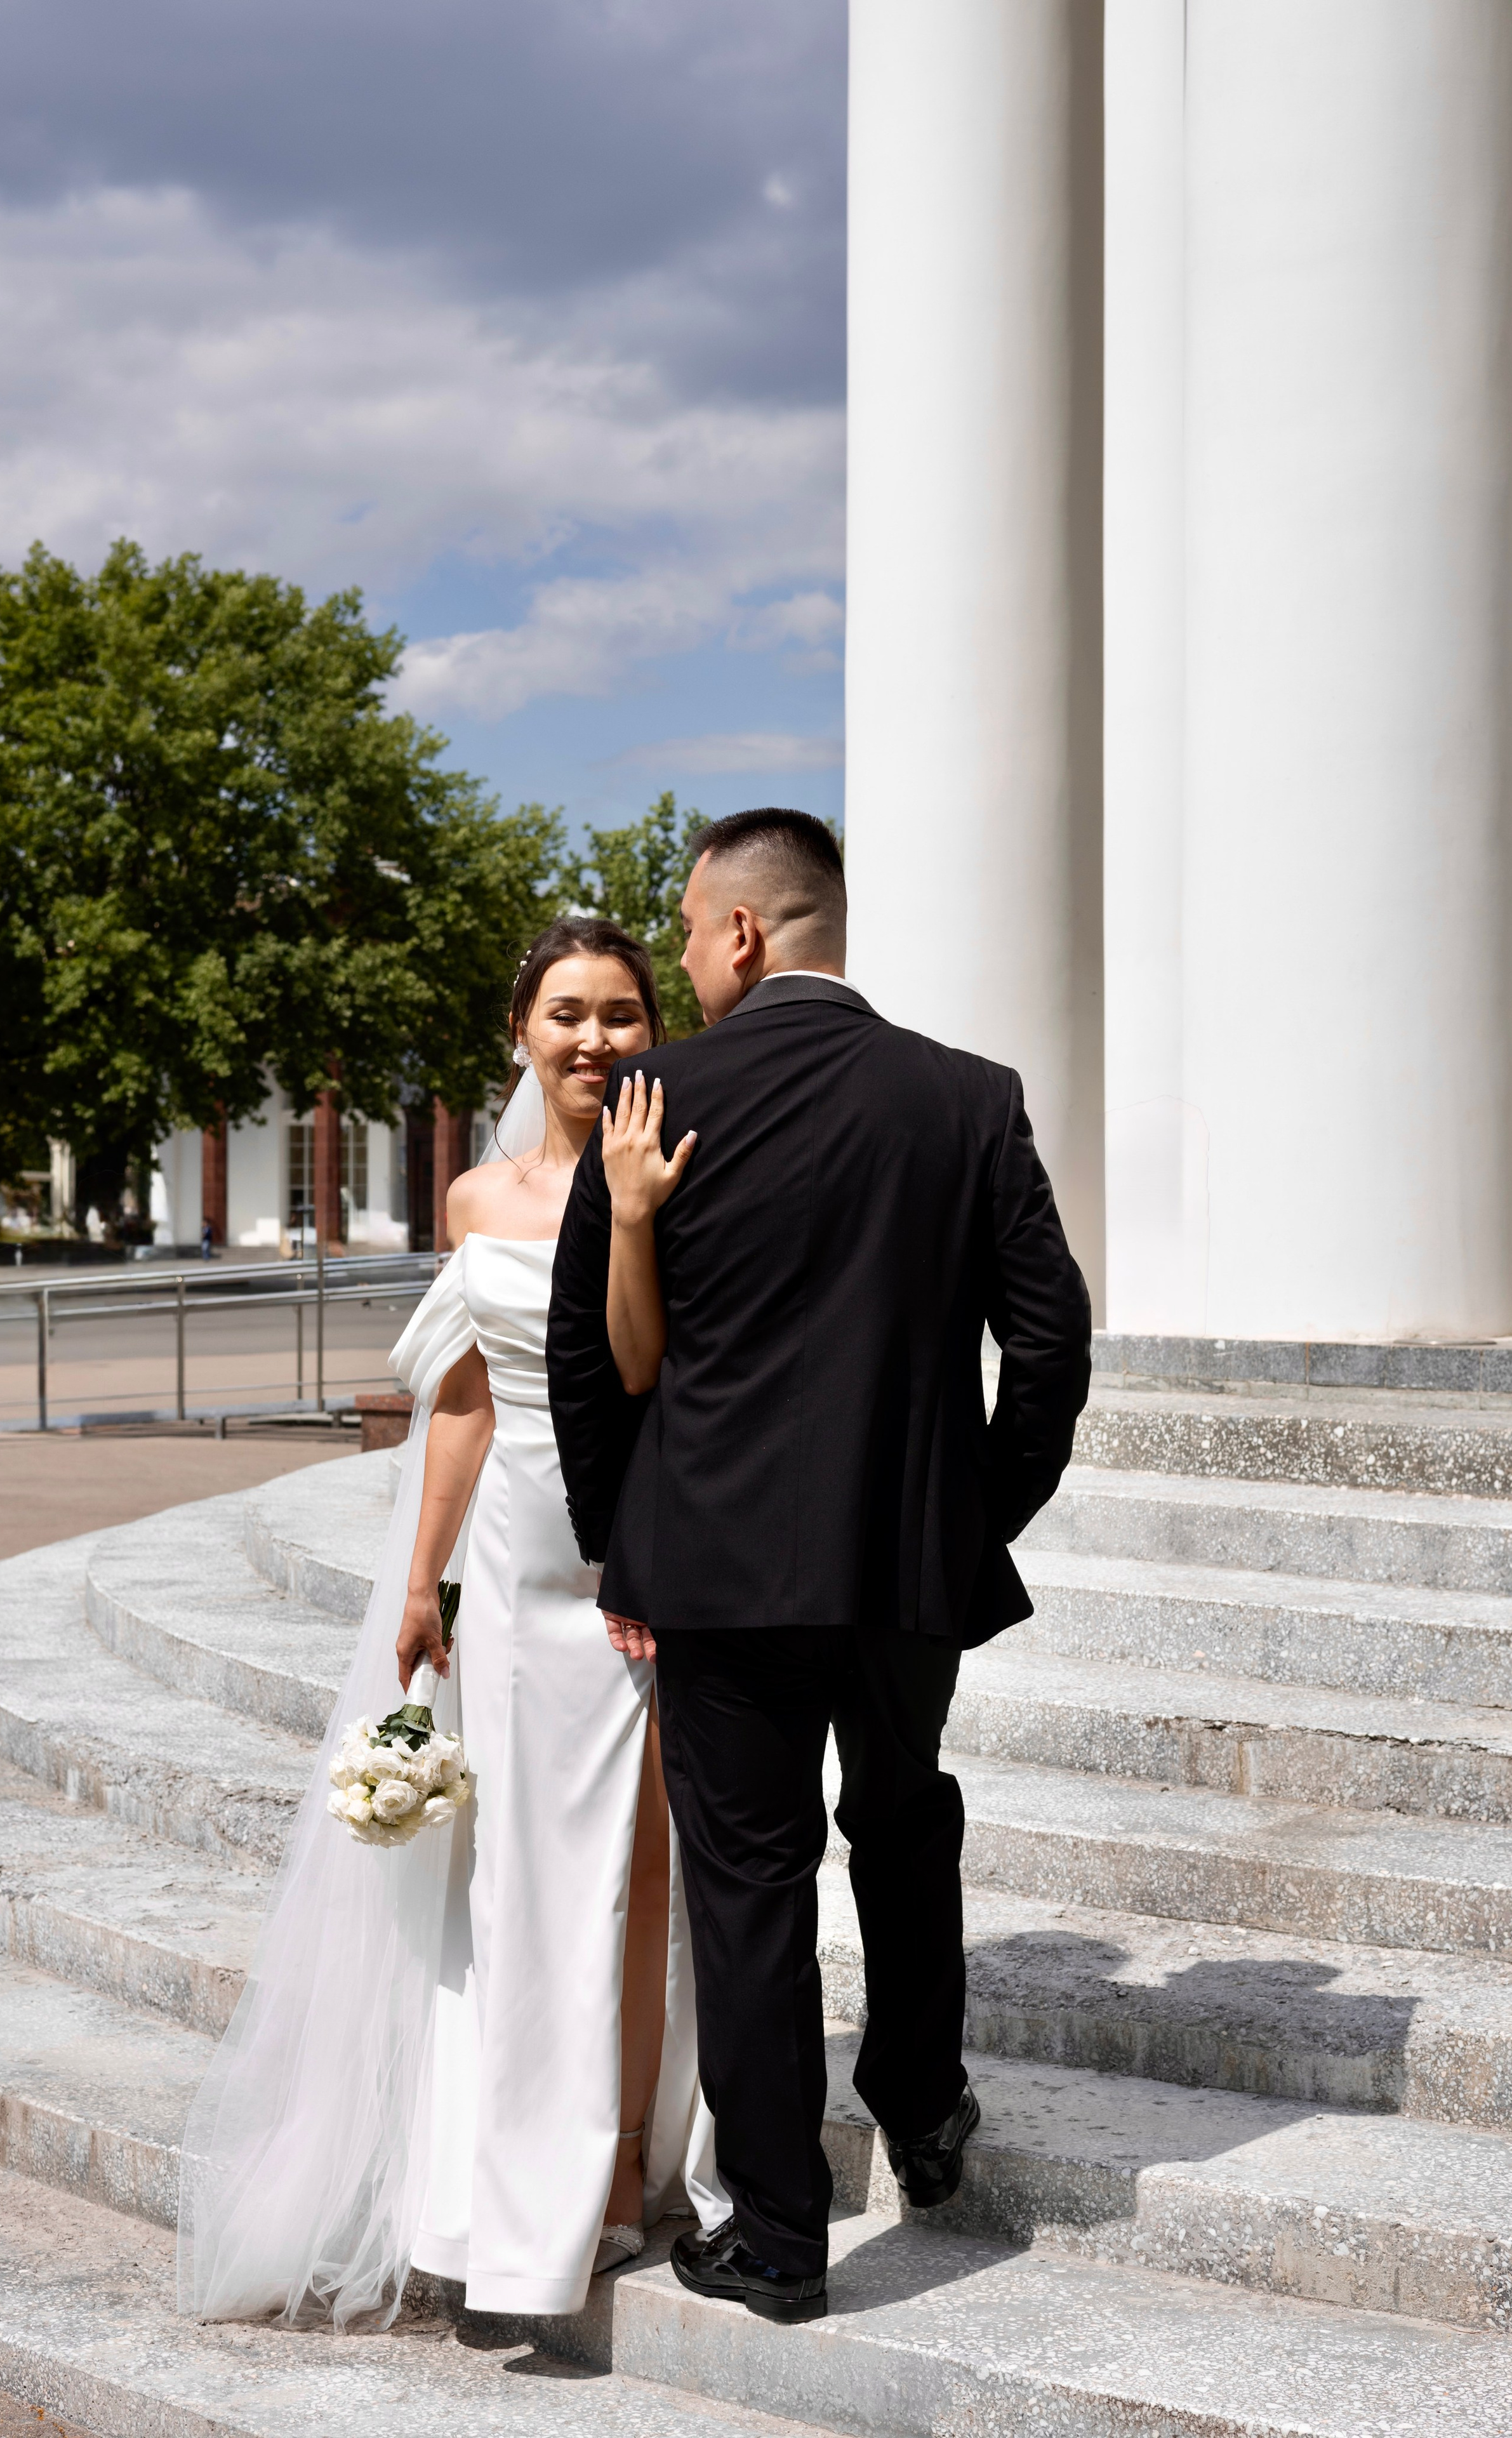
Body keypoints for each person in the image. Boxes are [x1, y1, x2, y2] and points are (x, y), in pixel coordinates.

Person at [547, 809, 1092, 2326]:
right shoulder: (967, 1097)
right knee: (903, 1822)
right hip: (905, 1562)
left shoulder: (653, 1099)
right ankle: (921, 2108)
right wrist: (974, 1514)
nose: (684, 964)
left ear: (739, 931)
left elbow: (588, 1358)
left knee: (749, 1880)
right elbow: (1050, 1344)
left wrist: (620, 1549)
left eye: (686, 933)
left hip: (713, 1573)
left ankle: (782, 2234)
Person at [178, 917, 724, 2331]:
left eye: (620, 1012)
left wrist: (637, 1214)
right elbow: (468, 1400)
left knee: (635, 1878)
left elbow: (654, 1370)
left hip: (633, 1563)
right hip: (510, 1569)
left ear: (653, 1029)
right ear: (521, 1032)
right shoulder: (478, 1197)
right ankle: (495, 2173)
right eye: (566, 1012)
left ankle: (617, 2170)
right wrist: (423, 1577)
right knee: (511, 1884)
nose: (593, 1038)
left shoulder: (680, 1168)